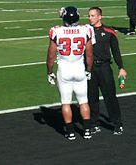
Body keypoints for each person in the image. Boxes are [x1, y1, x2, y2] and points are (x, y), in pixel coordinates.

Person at [46, 6, 95, 140]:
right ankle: (86, 130)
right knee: (84, 102)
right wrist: (88, 70)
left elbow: (51, 56)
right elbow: (89, 54)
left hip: (64, 70)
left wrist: (49, 72)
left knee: (66, 102)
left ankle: (70, 131)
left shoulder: (56, 31)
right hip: (79, 69)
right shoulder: (86, 29)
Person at [87, 7, 127, 135]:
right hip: (90, 69)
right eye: (89, 16)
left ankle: (117, 123)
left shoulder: (109, 31)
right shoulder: (85, 30)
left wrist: (121, 67)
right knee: (91, 97)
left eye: (92, 15)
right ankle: (94, 123)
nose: (90, 18)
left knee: (110, 97)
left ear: (99, 17)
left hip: (104, 68)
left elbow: (116, 51)